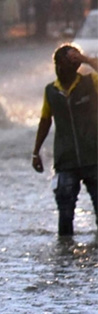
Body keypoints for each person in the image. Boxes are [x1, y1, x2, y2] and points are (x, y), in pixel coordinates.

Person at [32, 44, 98, 237]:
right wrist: (36, 153)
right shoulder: (51, 91)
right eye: (65, 62)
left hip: (94, 158)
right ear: (57, 64)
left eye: (72, 62)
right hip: (65, 161)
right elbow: (45, 121)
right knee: (65, 213)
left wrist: (85, 59)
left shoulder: (91, 82)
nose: (66, 67)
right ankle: (65, 255)